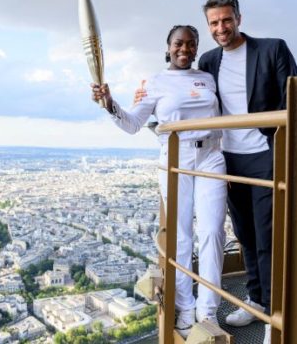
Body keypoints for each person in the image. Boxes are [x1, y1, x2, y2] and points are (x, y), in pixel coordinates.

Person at [134, 0, 297, 344]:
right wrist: (147, 101)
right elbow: (187, 94)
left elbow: (294, 99)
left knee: (267, 235)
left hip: (264, 152)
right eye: (214, 23)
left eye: (226, 20)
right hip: (225, 156)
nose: (221, 28)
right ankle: (255, 297)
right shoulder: (209, 60)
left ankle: (272, 314)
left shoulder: (272, 49)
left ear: (239, 18)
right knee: (245, 234)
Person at [91, 25, 227, 337]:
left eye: (191, 44)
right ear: (168, 47)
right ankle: (185, 306)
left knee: (212, 233)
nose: (185, 49)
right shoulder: (155, 81)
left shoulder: (207, 77)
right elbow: (134, 123)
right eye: (179, 43)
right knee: (180, 238)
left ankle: (208, 311)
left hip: (211, 157)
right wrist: (110, 103)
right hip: (176, 158)